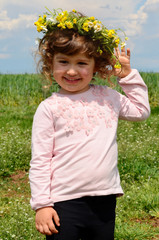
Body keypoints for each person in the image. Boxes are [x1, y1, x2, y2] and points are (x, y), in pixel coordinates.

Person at [29, 8, 150, 240]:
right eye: (63, 62)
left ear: (96, 65)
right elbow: (41, 160)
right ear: (50, 64)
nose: (72, 70)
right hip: (63, 202)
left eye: (82, 63)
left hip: (104, 200)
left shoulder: (108, 97)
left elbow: (141, 111)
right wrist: (42, 205)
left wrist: (126, 76)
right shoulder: (49, 108)